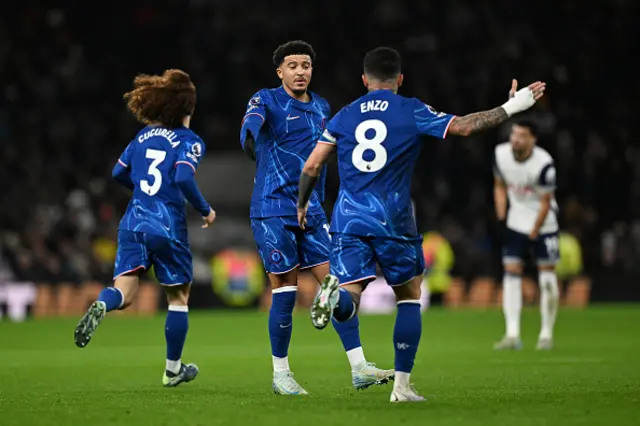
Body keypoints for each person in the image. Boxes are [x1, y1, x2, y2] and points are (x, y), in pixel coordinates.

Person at [297, 47, 545, 402]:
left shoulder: (344, 115)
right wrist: (511, 108)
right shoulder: (411, 109)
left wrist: (303, 204)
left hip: (347, 217)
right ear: (400, 79)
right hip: (392, 217)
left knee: (351, 292)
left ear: (364, 80)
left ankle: (336, 296)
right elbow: (463, 127)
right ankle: (401, 387)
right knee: (409, 296)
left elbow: (312, 164)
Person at [240, 40, 392, 395]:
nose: (300, 71)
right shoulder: (266, 99)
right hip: (273, 209)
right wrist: (250, 144)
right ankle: (281, 375)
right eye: (292, 65)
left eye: (306, 65)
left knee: (337, 284)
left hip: (313, 211)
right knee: (286, 291)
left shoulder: (322, 106)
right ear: (280, 72)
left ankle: (359, 368)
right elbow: (249, 128)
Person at [73, 69, 216, 388]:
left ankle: (102, 304)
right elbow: (182, 177)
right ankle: (172, 369)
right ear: (189, 108)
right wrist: (205, 209)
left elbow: (117, 173)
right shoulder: (190, 140)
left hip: (133, 223)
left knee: (124, 294)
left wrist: (141, 188)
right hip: (167, 225)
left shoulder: (142, 137)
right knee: (178, 299)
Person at [493, 120, 560, 350]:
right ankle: (512, 334)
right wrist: (502, 218)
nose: (515, 140)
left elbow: (545, 202)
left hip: (544, 224)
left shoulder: (544, 164)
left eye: (521, 136)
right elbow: (499, 185)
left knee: (547, 277)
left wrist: (534, 232)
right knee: (511, 273)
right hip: (515, 222)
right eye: (514, 134)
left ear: (533, 139)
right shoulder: (500, 154)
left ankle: (546, 334)